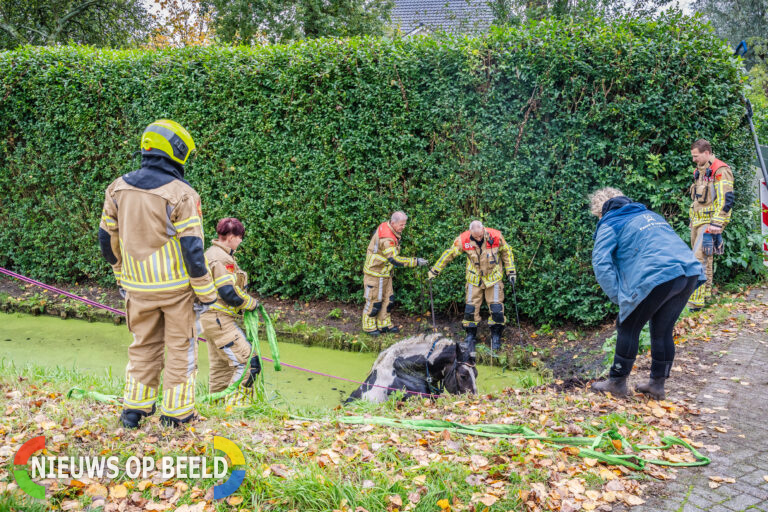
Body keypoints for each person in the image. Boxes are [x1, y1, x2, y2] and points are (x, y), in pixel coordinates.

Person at [99, 119, 217, 428]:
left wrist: (121, 276)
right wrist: (206, 292)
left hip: (137, 288)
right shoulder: (182, 194)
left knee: (143, 346)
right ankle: (177, 416)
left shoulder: (116, 188)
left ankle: (133, 412)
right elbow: (193, 250)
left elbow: (106, 240)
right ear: (176, 152)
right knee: (180, 349)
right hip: (177, 290)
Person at [589, 187, 705, 399]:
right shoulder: (650, 215)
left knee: (627, 326)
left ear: (600, 211)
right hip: (687, 271)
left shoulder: (610, 222)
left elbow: (601, 263)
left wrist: (618, 296)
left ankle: (616, 383)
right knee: (662, 330)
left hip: (659, 275)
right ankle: (657, 385)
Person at [199, 218, 261, 406]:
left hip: (210, 320)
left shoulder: (215, 253)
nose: (241, 241)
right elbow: (228, 292)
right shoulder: (220, 258)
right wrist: (251, 303)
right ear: (232, 237)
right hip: (219, 319)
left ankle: (214, 409)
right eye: (240, 237)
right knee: (250, 364)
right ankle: (235, 409)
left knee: (222, 369)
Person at [427, 220, 516, 351]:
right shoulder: (463, 240)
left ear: (483, 229)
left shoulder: (496, 236)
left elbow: (506, 252)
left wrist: (511, 271)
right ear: (471, 233)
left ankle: (496, 336)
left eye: (480, 235)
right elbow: (450, 253)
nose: (479, 238)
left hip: (494, 278)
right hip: (474, 279)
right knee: (470, 309)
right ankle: (470, 336)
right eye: (476, 236)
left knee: (497, 308)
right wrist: (436, 269)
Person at [362, 211, 428, 336]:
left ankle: (384, 324)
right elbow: (395, 259)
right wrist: (415, 261)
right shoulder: (387, 238)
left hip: (385, 272)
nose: (403, 227)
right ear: (393, 223)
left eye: (404, 224)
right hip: (375, 273)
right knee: (373, 300)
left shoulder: (389, 228)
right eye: (401, 225)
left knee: (389, 299)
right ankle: (368, 327)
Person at [687, 139, 735, 311]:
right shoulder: (699, 171)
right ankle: (705, 295)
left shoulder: (720, 170)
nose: (693, 159)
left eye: (696, 156)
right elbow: (697, 200)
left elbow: (726, 199)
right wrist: (692, 218)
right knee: (706, 258)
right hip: (698, 221)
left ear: (706, 153)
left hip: (710, 222)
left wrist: (717, 223)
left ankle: (695, 304)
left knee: (697, 259)